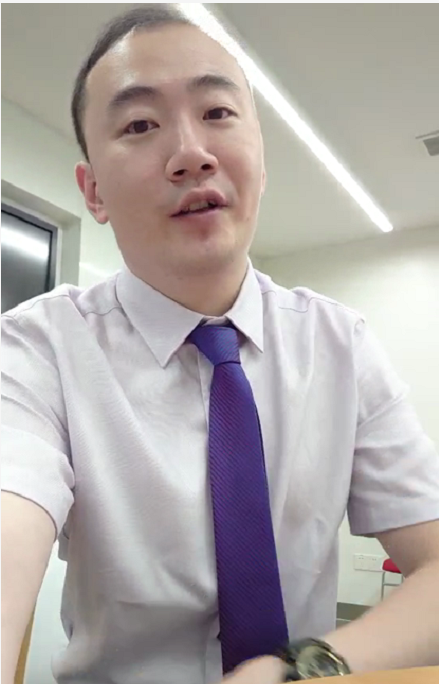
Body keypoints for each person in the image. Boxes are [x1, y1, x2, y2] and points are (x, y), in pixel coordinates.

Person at [2, 5, 439, 684]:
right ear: (93, 192)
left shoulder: (340, 344)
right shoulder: (36, 349)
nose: (191, 153)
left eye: (217, 113)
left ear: (261, 161)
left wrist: (305, 669)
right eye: (139, 124)